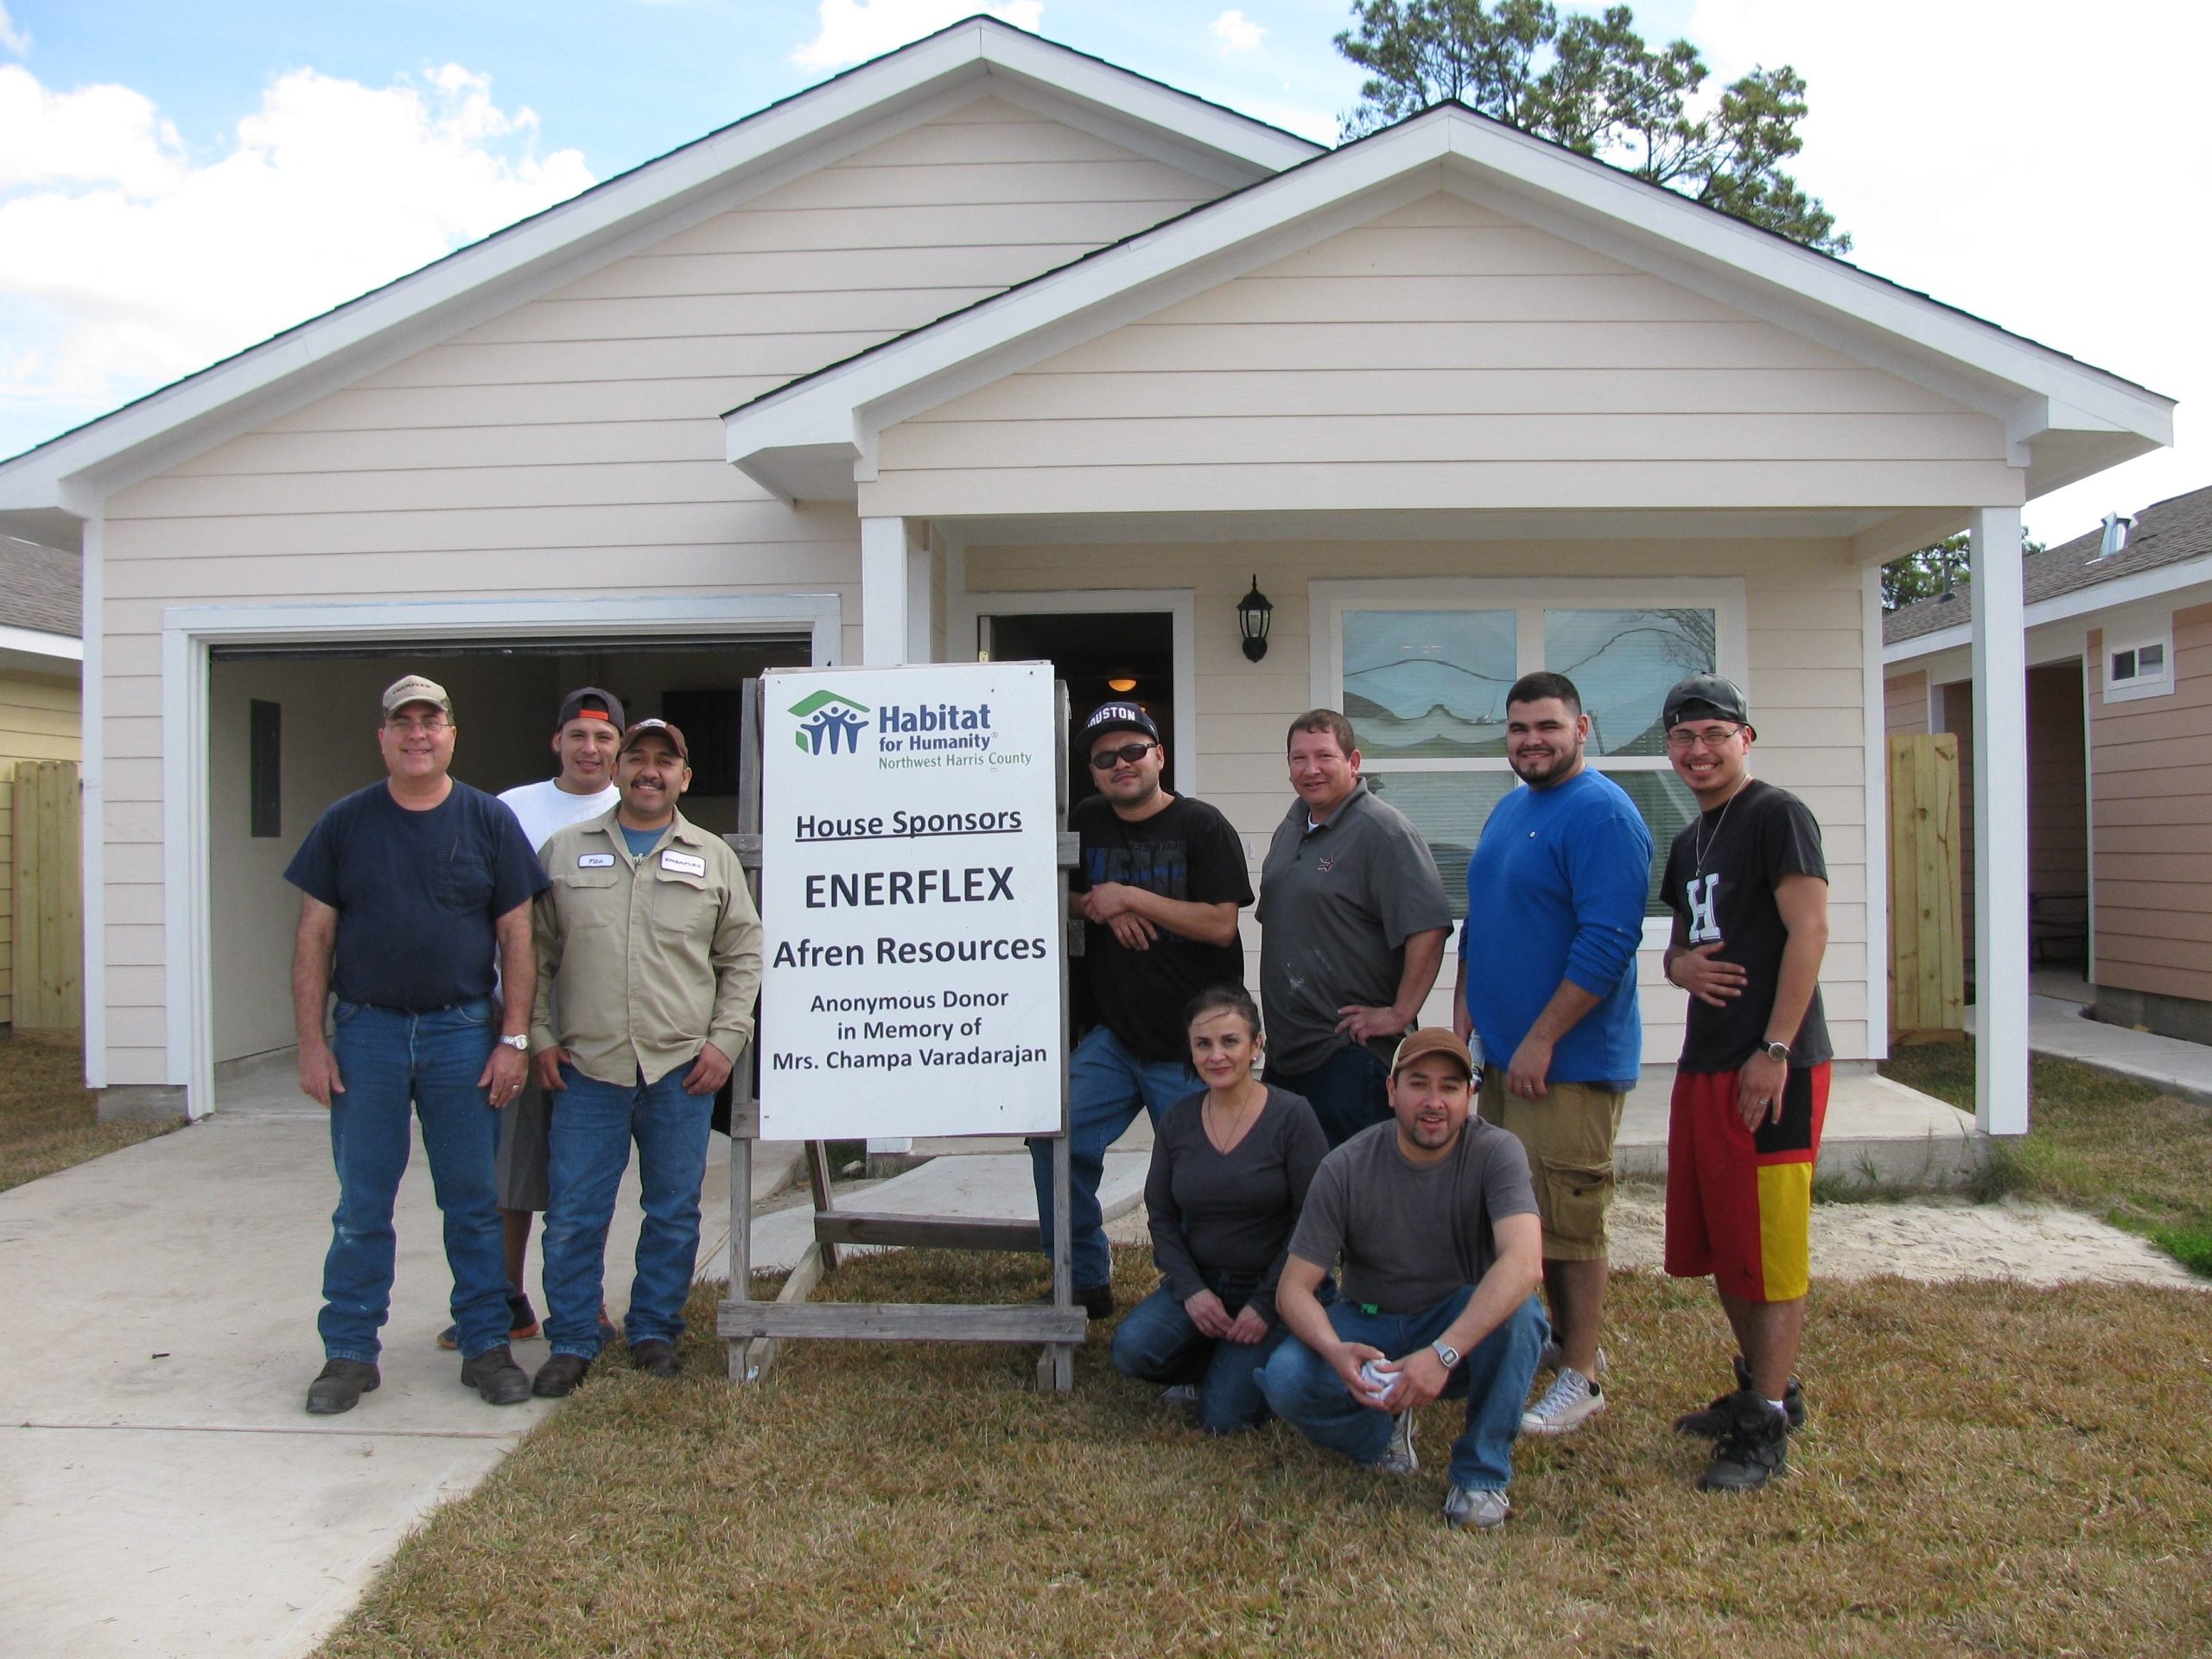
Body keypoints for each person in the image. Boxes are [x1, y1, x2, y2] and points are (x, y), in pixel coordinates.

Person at [287, 674, 550, 1415]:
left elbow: (517, 935)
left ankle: (486, 1346)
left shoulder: (488, 821)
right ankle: (348, 1353)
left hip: (462, 1032)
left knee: (472, 1201)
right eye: (403, 723)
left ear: (450, 735)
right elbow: (314, 935)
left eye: (430, 721)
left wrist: (514, 1039)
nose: (417, 735)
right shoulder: (344, 823)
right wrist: (312, 1043)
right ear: (384, 737)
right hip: (366, 1034)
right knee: (362, 1204)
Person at [526, 718, 763, 1395]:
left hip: (678, 1070)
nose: (650, 771)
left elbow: (743, 954)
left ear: (684, 777)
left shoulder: (712, 856)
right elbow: (532, 956)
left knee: (673, 1209)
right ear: (618, 770)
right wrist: (539, 1036)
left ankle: (655, 1331)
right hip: (585, 1068)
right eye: (638, 759)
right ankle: (572, 1337)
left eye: (666, 762)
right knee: (574, 1212)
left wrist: (726, 1041)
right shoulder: (563, 852)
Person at [1453, 672, 1650, 1437]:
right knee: (1515, 1213)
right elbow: (1483, 922)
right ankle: (1546, 1342)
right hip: (1504, 1060)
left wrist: (1543, 1038)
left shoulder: (1603, 814)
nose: (1531, 740)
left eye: (1547, 726)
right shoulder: (1513, 808)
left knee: (1568, 1225)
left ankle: (1583, 1373)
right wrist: (1465, 1027)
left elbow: (1608, 941)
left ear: (1583, 727)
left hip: (1566, 1065)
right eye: (1518, 728)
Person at [1256, 1029, 1546, 1531]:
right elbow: (1294, 1289)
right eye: (1418, 1084)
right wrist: (1334, 1350)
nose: (1434, 1102)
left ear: (1469, 1096)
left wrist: (1443, 1354)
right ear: (1391, 1091)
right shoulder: (1344, 1166)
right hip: (1370, 1323)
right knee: (1284, 1379)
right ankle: (1379, 1430)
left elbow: (1524, 1264)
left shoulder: (1497, 1152)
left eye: (1450, 1087)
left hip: (1455, 1322)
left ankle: (1481, 1477)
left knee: (1520, 1315)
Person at [1656, 674, 1831, 1493]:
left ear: (1745, 739)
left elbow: (1810, 929)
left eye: (1714, 735)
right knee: (1727, 1241)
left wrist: (1777, 1047)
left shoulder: (1776, 816)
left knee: (1773, 1249)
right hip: (1706, 1059)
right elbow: (1680, 949)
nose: (1699, 751)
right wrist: (1678, 965)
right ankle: (1764, 1387)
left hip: (1771, 1063)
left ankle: (1765, 1426)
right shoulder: (1691, 841)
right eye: (1684, 738)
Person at [1029, 701, 1252, 1319]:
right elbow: (1058, 892)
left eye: (1133, 751)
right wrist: (1101, 905)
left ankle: (1204, 1295)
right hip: (1114, 1036)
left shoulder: (1203, 826)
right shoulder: (1087, 820)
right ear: (1093, 772)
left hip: (1192, 1044)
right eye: (1105, 758)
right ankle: (1082, 1279)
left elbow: (1219, 923)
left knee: (1202, 1176)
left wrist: (1133, 895)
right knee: (1052, 1136)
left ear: (1160, 756)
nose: (1120, 764)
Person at [433, 685, 626, 1351]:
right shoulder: (510, 809)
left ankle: (584, 1300)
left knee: (584, 1175)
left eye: (604, 738)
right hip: (514, 1019)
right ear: (557, 741)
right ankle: (503, 1299)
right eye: (578, 735)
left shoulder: (633, 809)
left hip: (596, 1028)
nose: (591, 749)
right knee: (506, 1175)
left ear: (620, 749)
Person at [1109, 985, 1328, 1434]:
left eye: (1230, 1042)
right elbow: (1162, 1214)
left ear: (1256, 1045)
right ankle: (1216, 1362)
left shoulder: (1292, 1117)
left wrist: (1268, 1305)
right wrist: (1191, 1290)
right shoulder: (1179, 1120)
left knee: (1223, 1419)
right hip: (1204, 1283)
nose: (1216, 1056)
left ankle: (1270, 1362)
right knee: (1132, 1350)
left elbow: (1316, 1222)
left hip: (1278, 1290)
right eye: (1203, 1044)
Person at [1256, 709, 1452, 1147]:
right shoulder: (1290, 828)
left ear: (1354, 761)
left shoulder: (1384, 832)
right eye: (1298, 759)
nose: (1311, 770)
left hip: (1350, 1058)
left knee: (1359, 1197)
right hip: (1287, 1057)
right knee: (1300, 1196)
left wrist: (1400, 1013)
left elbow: (1429, 928)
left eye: (1324, 756)